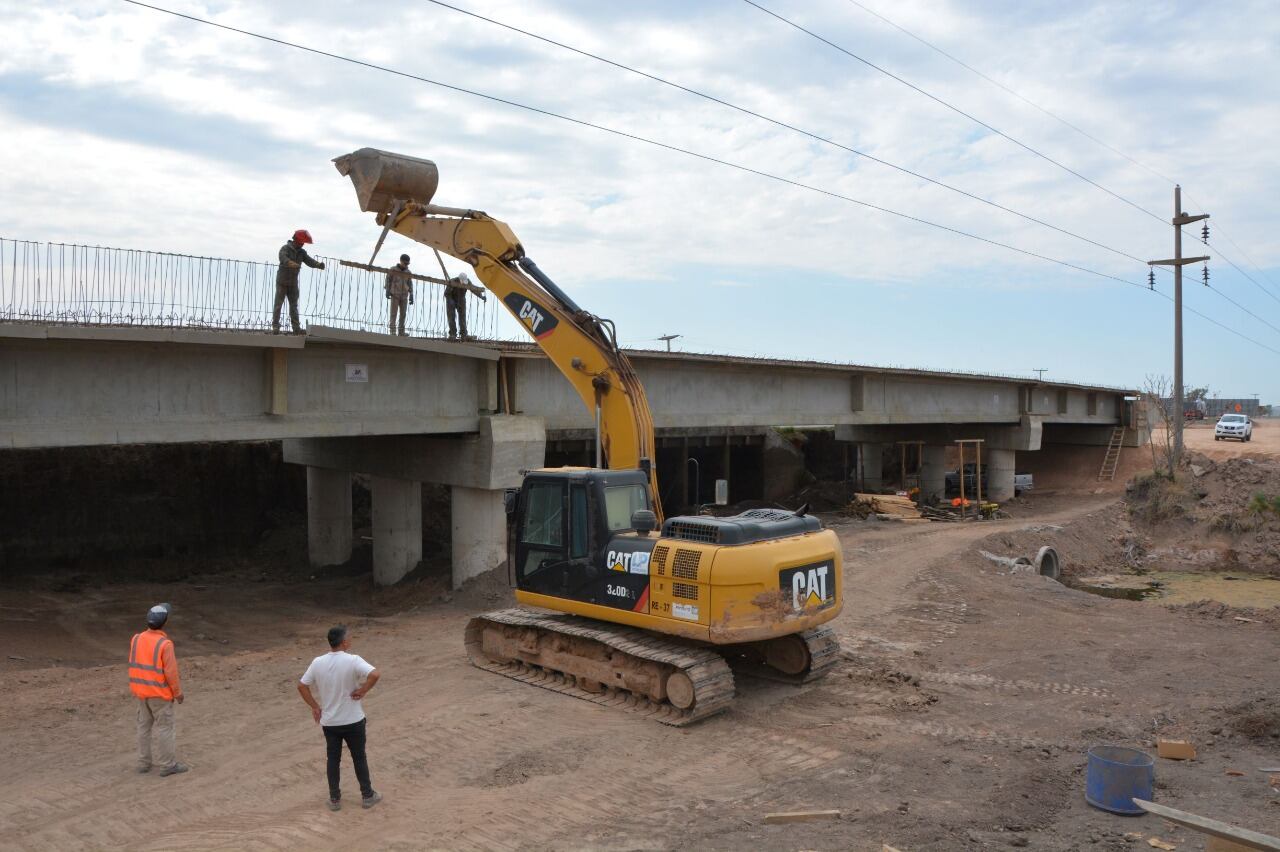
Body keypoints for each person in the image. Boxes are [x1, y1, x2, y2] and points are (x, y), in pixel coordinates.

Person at [298, 625, 383, 811]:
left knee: (333, 759)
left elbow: (302, 686)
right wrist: (363, 690)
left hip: (330, 722)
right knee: (359, 757)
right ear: (344, 642)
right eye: (349, 638)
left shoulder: (318, 662)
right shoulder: (353, 660)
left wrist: (314, 706)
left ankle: (335, 799)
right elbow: (375, 674)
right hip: (353, 720)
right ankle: (367, 795)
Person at [128, 603, 188, 776]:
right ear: (165, 622)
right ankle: (168, 765)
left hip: (141, 692)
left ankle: (143, 763)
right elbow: (171, 672)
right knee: (165, 728)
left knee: (143, 727)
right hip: (160, 695)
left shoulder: (136, 638)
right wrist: (178, 693)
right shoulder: (165, 644)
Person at [274, 229, 325, 334]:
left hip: (293, 283)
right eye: (302, 242)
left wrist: (318, 265)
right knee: (278, 304)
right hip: (282, 281)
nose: (303, 245)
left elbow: (308, 260)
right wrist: (290, 263)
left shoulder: (302, 252)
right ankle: (275, 326)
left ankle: (296, 328)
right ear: (296, 240)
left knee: (294, 306)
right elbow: (282, 257)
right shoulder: (285, 248)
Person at [385, 254, 413, 336]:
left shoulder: (408, 272)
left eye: (407, 264)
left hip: (404, 295)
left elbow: (410, 284)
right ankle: (392, 331)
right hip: (395, 293)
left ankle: (401, 332)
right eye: (405, 263)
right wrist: (387, 290)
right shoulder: (393, 269)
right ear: (400, 261)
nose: (406, 265)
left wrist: (411, 294)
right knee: (393, 313)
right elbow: (388, 280)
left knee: (403, 314)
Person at [445, 272, 471, 340]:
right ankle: (453, 334)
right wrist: (450, 300)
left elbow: (473, 289)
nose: (463, 283)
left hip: (461, 299)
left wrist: (481, 296)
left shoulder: (468, 282)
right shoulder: (453, 281)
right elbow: (446, 293)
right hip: (452, 298)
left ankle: (463, 334)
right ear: (459, 279)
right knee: (451, 317)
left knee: (462, 317)